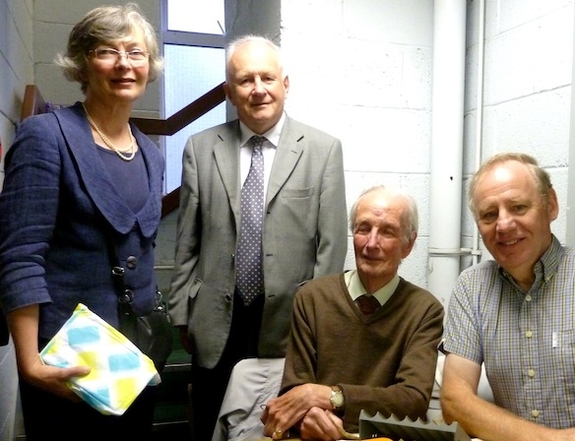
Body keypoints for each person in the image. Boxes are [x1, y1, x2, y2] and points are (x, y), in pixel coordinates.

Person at [167, 34, 348, 441]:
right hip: (215, 320)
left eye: (267, 77)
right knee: (212, 423)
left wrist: (318, 327)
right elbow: (187, 240)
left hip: (289, 326)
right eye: (245, 80)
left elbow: (331, 247)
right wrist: (181, 313)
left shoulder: (323, 151)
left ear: (286, 83)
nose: (258, 89)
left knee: (275, 430)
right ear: (230, 92)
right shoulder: (200, 148)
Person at [0, 4, 164, 440]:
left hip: (133, 364)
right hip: (67, 366)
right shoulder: (46, 136)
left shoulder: (151, 153)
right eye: (108, 51)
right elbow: (20, 255)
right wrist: (29, 363)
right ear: (82, 64)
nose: (125, 64)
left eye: (136, 52)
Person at [440, 152, 575, 441]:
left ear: (551, 205)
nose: (504, 225)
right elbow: (455, 403)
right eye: (489, 214)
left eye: (518, 207)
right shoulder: (473, 287)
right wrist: (548, 439)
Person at [261, 185, 445, 441]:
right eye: (363, 228)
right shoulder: (312, 298)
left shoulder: (425, 310)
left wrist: (330, 397)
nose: (371, 243)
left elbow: (412, 401)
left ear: (408, 245)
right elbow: (296, 391)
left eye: (387, 231)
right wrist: (308, 417)